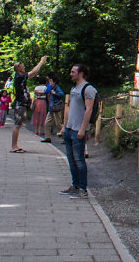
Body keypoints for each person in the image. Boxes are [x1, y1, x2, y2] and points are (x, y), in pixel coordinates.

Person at [60, 64, 96, 198]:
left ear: (80, 73)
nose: (71, 74)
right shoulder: (74, 88)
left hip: (78, 130)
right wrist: (64, 125)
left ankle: (83, 189)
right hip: (69, 128)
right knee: (71, 159)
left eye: (73, 72)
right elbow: (70, 108)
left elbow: (89, 109)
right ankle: (75, 185)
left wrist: (82, 128)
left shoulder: (88, 89)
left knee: (79, 159)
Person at [11, 56, 46, 153]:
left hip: (23, 104)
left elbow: (33, 74)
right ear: (18, 68)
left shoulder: (21, 78)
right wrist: (41, 62)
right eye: (22, 66)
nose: (24, 68)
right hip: (20, 104)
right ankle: (14, 146)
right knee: (17, 125)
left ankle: (15, 146)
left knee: (18, 125)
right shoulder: (19, 77)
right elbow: (34, 72)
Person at [43, 74, 65, 143]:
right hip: (51, 108)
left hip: (56, 108)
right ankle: (47, 138)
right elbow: (46, 92)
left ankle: (66, 137)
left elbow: (62, 94)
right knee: (47, 123)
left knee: (58, 123)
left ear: (54, 81)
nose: (49, 83)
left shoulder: (57, 88)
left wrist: (55, 93)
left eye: (50, 81)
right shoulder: (51, 87)